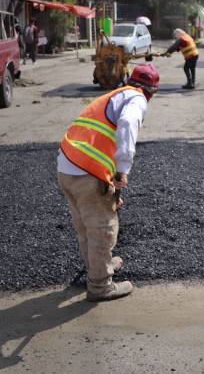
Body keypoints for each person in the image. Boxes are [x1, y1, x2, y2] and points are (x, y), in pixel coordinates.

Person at [57, 63, 160, 302]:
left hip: (66, 168)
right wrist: (123, 169)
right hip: (87, 173)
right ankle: (100, 285)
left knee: (85, 226)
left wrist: (111, 187)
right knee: (102, 230)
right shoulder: (137, 99)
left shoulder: (113, 95)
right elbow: (127, 125)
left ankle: (98, 266)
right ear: (151, 91)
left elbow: (101, 142)